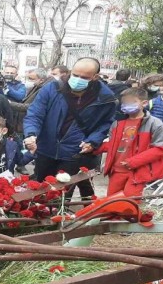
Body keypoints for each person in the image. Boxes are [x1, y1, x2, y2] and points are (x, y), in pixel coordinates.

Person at [23, 57, 116, 198]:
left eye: (84, 77)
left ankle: (59, 216)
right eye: (75, 75)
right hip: (46, 148)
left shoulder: (105, 98)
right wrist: (31, 133)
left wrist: (93, 141)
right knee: (39, 190)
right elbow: (35, 113)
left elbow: (106, 123)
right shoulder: (53, 88)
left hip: (75, 151)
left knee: (62, 194)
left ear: (95, 77)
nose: (78, 79)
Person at [97, 88, 163, 197]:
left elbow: (160, 149)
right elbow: (112, 145)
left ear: (144, 103)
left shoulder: (156, 124)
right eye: (125, 102)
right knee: (111, 202)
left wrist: (133, 162)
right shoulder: (117, 124)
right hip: (117, 170)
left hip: (137, 171)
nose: (127, 105)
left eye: (132, 102)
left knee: (129, 202)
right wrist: (94, 148)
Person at [10, 68, 52, 134]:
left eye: (31, 79)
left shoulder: (43, 90)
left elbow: (32, 106)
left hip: (30, 125)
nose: (29, 81)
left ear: (41, 80)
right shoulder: (36, 86)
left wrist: (11, 104)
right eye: (28, 78)